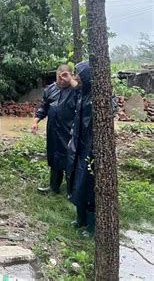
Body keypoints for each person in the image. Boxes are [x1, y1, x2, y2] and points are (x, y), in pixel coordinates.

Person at [32, 64, 78, 194]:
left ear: (70, 76)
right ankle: (54, 187)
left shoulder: (76, 89)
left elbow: (85, 93)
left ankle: (72, 191)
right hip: (53, 131)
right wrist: (36, 120)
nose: (61, 80)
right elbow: (44, 107)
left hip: (70, 131)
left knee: (71, 160)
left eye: (64, 77)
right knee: (54, 158)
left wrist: (72, 81)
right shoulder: (50, 89)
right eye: (59, 78)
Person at [65, 61, 95, 237]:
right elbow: (76, 87)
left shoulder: (97, 99)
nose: (76, 78)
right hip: (78, 146)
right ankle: (81, 218)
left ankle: (92, 226)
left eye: (79, 75)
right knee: (76, 180)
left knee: (89, 186)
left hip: (90, 148)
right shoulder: (83, 93)